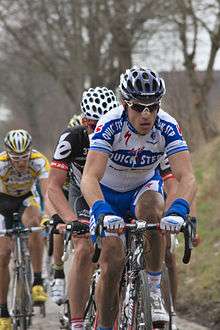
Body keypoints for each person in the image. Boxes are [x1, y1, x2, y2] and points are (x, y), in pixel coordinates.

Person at [81, 66, 197, 330]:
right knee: (112, 261)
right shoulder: (109, 124)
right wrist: (101, 211)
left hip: (142, 189)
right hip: (107, 195)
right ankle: (104, 326)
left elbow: (187, 177)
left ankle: (154, 290)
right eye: (138, 107)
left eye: (153, 106)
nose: (146, 114)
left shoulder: (167, 125)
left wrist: (178, 210)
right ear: (124, 103)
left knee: (155, 209)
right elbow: (89, 177)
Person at [46, 87, 119, 330]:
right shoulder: (72, 138)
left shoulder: (123, 134)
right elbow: (54, 186)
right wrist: (70, 220)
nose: (97, 132)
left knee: (119, 250)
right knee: (84, 248)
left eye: (103, 126)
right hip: (81, 194)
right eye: (91, 126)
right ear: (84, 121)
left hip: (113, 192)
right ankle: (77, 321)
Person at [0, 129, 49, 330]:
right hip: (2, 202)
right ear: (8, 155)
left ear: (30, 152)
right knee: (2, 255)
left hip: (26, 199)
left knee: (35, 224)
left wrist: (48, 216)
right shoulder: (1, 163)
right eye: (16, 158)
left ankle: (37, 281)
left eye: (24, 157)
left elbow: (47, 191)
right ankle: (3, 312)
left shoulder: (38, 160)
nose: (21, 162)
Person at [46, 113, 82, 306]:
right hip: (66, 194)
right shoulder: (66, 151)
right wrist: (55, 218)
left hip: (83, 194)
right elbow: (50, 192)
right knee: (60, 227)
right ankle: (59, 272)